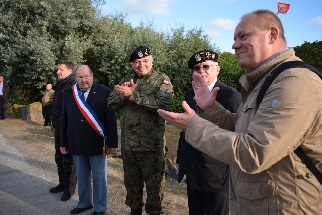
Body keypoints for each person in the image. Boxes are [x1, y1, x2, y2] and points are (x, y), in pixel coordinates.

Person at [157, 9, 322, 215]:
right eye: (234, 39)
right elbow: (241, 128)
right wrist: (211, 109)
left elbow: (254, 151)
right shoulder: (266, 81)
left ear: (272, 35)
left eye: (243, 36)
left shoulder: (294, 82)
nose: (234, 45)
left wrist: (193, 126)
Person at [107, 46, 173, 215]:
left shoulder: (161, 80)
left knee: (154, 192)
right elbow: (111, 104)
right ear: (131, 65)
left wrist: (133, 95)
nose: (141, 65)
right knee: (132, 188)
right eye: (137, 62)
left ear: (152, 61)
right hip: (129, 148)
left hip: (151, 148)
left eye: (145, 61)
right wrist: (122, 96)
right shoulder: (126, 79)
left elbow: (163, 105)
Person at [176, 50, 241, 215]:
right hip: (193, 168)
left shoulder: (229, 94)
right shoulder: (191, 93)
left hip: (217, 172)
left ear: (217, 70)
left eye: (206, 66)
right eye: (197, 68)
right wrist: (180, 158)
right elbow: (186, 128)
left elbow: (235, 132)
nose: (201, 71)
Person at [60, 65, 118, 215]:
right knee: (82, 176)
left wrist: (113, 143)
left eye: (87, 76)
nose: (84, 80)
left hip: (98, 144)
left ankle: (100, 208)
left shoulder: (105, 92)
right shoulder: (68, 93)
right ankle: (84, 202)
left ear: (92, 76)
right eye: (80, 77)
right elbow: (64, 120)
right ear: (76, 78)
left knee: (99, 178)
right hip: (76, 143)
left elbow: (111, 120)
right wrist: (63, 142)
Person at [50, 59, 77, 201]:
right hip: (59, 128)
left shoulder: (72, 84)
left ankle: (69, 189)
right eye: (58, 69)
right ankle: (62, 184)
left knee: (68, 159)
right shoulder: (62, 84)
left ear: (70, 71)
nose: (58, 72)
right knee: (59, 157)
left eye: (61, 69)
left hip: (67, 129)